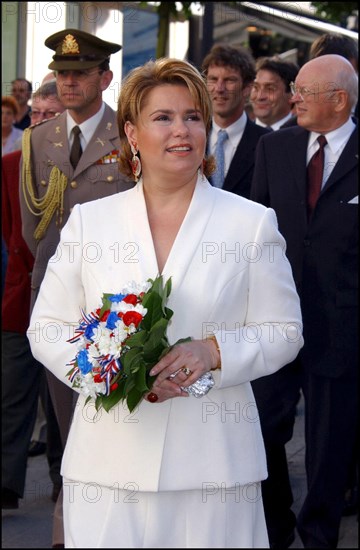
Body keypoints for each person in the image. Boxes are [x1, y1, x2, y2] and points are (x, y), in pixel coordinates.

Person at [27, 56, 303, 549]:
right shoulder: (91, 222)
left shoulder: (250, 223)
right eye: (163, 118)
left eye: (193, 116)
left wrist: (213, 352)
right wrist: (105, 369)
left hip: (214, 468)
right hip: (107, 467)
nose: (182, 130)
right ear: (132, 133)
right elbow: (46, 328)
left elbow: (283, 332)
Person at [20, 28, 133, 548]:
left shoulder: (129, 133)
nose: (67, 83)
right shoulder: (38, 139)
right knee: (67, 420)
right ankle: (73, 528)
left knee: (117, 418)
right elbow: (32, 227)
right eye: (62, 75)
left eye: (79, 74)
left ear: (104, 78)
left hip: (115, 302)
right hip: (60, 302)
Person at [251, 54, 358, 548]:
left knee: (328, 448)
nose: (294, 99)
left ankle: (319, 536)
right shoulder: (275, 148)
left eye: (304, 92)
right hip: (276, 320)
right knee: (261, 430)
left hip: (342, 328)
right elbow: (254, 233)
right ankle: (275, 526)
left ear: (338, 100)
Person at [2, 81, 65, 512]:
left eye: (49, 115)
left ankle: (68, 490)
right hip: (18, 300)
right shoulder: (10, 165)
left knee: (63, 405)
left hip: (68, 304)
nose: (39, 122)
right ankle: (5, 485)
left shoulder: (84, 166)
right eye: (35, 114)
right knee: (10, 396)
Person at [201, 43, 271, 198]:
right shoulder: (191, 136)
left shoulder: (268, 143)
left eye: (229, 80)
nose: (219, 88)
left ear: (247, 88)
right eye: (213, 79)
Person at [250, 56, 299, 130]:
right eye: (256, 87)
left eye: (270, 89)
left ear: (292, 94)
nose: (260, 97)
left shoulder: (307, 136)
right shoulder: (237, 134)